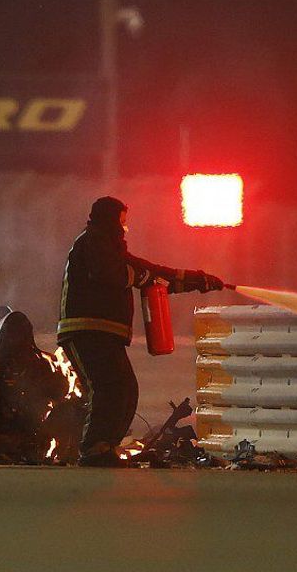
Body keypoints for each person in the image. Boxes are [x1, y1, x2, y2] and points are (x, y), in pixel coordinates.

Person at [58, 196, 225, 467]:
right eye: (122, 223)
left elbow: (147, 271)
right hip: (86, 330)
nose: (124, 229)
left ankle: (106, 446)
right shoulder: (93, 241)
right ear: (111, 220)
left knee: (125, 388)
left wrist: (195, 279)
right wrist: (147, 277)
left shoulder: (108, 247)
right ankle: (93, 448)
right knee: (108, 387)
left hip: (104, 333)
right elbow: (113, 274)